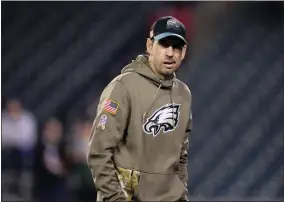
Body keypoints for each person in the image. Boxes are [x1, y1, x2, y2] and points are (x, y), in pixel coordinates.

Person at [87, 16, 193, 201]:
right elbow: (98, 152)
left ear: (183, 52)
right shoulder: (123, 86)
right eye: (164, 44)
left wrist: (180, 194)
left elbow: (181, 157)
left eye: (176, 47)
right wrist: (115, 198)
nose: (170, 53)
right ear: (150, 46)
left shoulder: (183, 94)